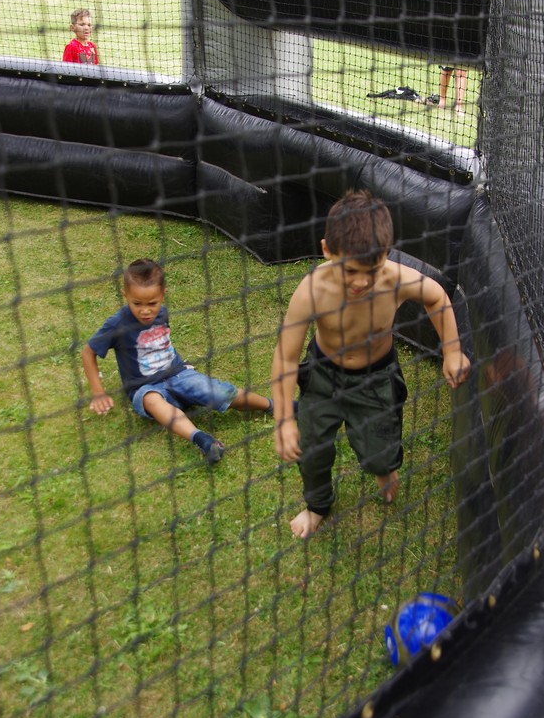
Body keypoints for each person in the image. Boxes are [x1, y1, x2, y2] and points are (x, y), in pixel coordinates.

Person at [271, 190, 471, 538]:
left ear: (386, 255)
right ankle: (317, 505)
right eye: (350, 270)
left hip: (376, 379)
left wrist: (452, 350)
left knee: (381, 452)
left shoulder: (395, 279)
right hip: (323, 377)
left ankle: (382, 468)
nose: (361, 281)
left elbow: (436, 296)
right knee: (311, 449)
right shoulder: (312, 290)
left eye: (372, 270)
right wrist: (284, 420)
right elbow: (286, 357)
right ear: (327, 250)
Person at [82, 258, 273, 464]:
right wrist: (98, 392)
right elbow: (87, 353)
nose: (145, 310)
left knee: (219, 392)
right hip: (144, 387)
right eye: (137, 303)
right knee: (152, 400)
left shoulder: (162, 314)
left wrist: (184, 370)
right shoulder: (117, 324)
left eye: (152, 303)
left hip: (179, 375)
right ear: (125, 295)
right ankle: (203, 440)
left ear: (163, 295)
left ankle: (272, 405)